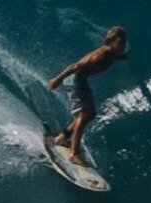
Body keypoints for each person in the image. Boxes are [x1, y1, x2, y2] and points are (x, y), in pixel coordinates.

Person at [48, 26, 128, 166]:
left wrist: (122, 56)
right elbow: (75, 66)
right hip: (74, 79)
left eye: (124, 42)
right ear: (111, 41)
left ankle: (62, 138)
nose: (123, 45)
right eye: (120, 42)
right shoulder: (101, 54)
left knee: (89, 114)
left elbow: (115, 56)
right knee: (84, 115)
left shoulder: (112, 53)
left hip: (81, 80)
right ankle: (74, 154)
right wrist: (57, 79)